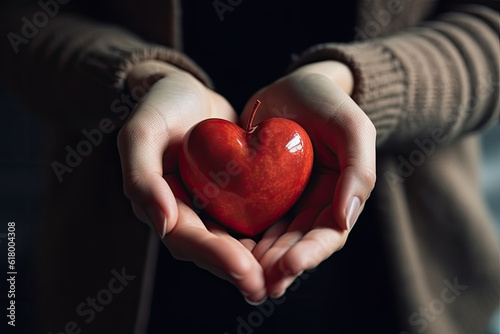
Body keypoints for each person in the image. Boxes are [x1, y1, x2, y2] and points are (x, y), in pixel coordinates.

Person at [0, 0, 498, 333]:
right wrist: (139, 78)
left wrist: (355, 81)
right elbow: (21, 23)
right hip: (124, 279)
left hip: (403, 287)